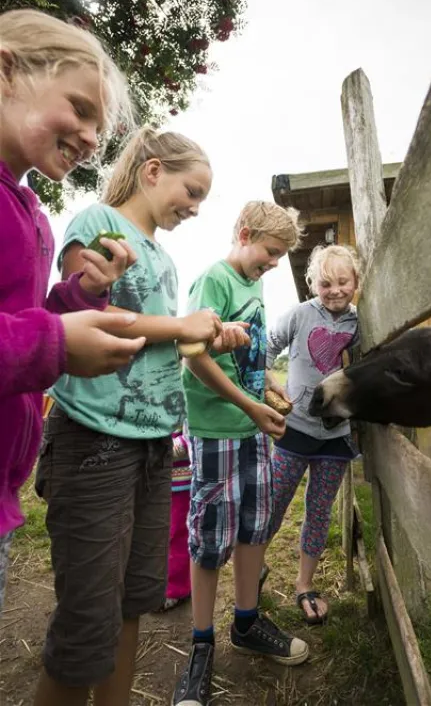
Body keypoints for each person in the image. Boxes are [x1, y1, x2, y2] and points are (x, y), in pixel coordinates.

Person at [33, 127, 248, 706]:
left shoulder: (164, 258)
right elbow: (87, 316)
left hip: (155, 446)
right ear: (153, 171)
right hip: (96, 443)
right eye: (192, 190)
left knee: (135, 601)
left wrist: (205, 338)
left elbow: (158, 341)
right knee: (88, 623)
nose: (196, 208)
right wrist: (182, 327)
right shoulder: (96, 223)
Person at [0, 8, 145, 614]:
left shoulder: (29, 210)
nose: (91, 138)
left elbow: (22, 316)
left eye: (100, 129)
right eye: (81, 110)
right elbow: (32, 338)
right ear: (6, 71)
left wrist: (79, 297)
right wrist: (54, 343)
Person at [174, 201, 309, 706]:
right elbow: (195, 363)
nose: (273, 263)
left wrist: (269, 387)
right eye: (271, 253)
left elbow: (248, 357)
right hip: (216, 431)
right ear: (245, 233)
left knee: (253, 526)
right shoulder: (214, 279)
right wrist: (252, 408)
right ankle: (201, 645)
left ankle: (247, 623)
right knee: (210, 536)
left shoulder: (254, 283)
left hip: (252, 428)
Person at [266, 244, 360, 625]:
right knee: (273, 503)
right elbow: (266, 347)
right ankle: (251, 566)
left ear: (356, 282)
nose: (335, 290)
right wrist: (270, 384)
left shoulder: (360, 324)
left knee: (318, 512)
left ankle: (305, 584)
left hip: (336, 437)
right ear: (312, 284)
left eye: (343, 282)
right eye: (326, 283)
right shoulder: (300, 315)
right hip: (295, 431)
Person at [157, 430, 193, 612]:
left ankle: (176, 589)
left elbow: (192, 431)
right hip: (153, 475)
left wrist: (161, 451)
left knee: (177, 534)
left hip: (180, 477)